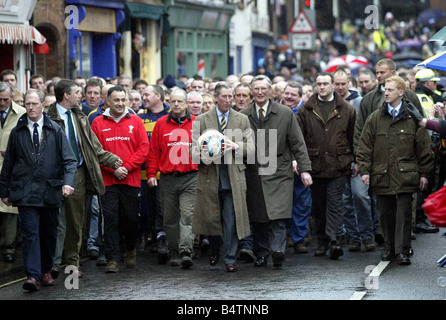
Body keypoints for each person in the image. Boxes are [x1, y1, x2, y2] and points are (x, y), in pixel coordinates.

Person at [0, 89, 77, 291]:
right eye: (27, 104)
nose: (31, 107)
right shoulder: (18, 131)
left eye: (34, 103)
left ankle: (46, 271)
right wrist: (4, 191)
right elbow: (8, 163)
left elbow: (69, 160)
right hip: (25, 191)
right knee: (30, 233)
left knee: (49, 233)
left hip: (50, 190)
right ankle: (32, 275)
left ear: (43, 104)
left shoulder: (55, 130)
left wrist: (68, 183)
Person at [47, 79, 122, 278]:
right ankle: (52, 264)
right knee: (56, 220)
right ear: (66, 95)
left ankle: (72, 263)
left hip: (78, 173)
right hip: (54, 176)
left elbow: (93, 147)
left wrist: (113, 159)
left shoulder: (79, 116)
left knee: (76, 221)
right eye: (78, 92)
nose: (82, 96)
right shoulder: (48, 117)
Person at [356, 76, 434, 266]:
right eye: (385, 90)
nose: (386, 93)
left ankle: (402, 251)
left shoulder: (412, 118)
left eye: (390, 90)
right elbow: (364, 146)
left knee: (404, 215)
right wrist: (365, 170)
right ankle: (389, 248)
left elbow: (423, 146)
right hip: (382, 173)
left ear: (401, 92)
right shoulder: (375, 117)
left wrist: (424, 173)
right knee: (385, 214)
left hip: (405, 173)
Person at [240, 75, 312, 268]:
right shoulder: (243, 114)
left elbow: (297, 143)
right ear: (251, 91)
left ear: (271, 91)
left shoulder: (285, 113)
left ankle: (278, 250)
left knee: (279, 214)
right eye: (256, 89)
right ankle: (262, 253)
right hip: (253, 172)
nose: (260, 92)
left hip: (279, 170)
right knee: (259, 216)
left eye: (264, 89)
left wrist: (305, 169)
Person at [192, 81, 254, 272]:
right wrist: (207, 153)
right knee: (211, 217)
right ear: (216, 97)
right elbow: (194, 151)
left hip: (232, 178)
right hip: (210, 176)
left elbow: (251, 148)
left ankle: (229, 258)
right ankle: (214, 248)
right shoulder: (201, 120)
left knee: (230, 219)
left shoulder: (242, 119)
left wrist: (235, 147)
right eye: (224, 96)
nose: (228, 100)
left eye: (231, 96)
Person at [296, 72, 356, 260]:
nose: (322, 87)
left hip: (339, 165)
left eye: (325, 83)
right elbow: (298, 138)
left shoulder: (346, 109)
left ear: (332, 85)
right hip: (316, 165)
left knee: (335, 203)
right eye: (319, 83)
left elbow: (354, 136)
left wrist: (357, 161)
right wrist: (300, 162)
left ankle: (334, 241)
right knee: (319, 205)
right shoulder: (306, 109)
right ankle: (322, 241)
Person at [91, 86, 149, 273]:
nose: (120, 103)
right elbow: (95, 153)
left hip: (130, 180)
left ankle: (130, 249)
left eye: (123, 99)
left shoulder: (136, 121)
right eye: (116, 100)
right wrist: (112, 169)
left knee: (131, 219)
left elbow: (143, 149)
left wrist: (126, 167)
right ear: (107, 100)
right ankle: (113, 258)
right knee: (110, 220)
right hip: (108, 181)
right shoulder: (98, 123)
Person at [146, 88, 198, 269]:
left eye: (180, 102)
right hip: (168, 178)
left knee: (188, 215)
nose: (176, 104)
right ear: (169, 102)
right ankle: (174, 251)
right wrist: (151, 174)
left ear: (186, 104)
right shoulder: (161, 124)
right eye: (173, 101)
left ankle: (185, 252)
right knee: (170, 218)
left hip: (191, 177)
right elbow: (153, 151)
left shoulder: (197, 123)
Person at [139, 85, 170, 262]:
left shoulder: (171, 115)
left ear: (158, 96)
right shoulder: (139, 117)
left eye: (147, 94)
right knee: (146, 210)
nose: (144, 97)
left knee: (162, 209)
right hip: (142, 173)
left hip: (164, 173)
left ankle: (163, 241)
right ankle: (151, 236)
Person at [281, 81, 311, 254]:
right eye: (287, 93)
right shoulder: (277, 110)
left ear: (300, 96)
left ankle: (299, 238)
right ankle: (285, 237)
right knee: (282, 202)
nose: (289, 97)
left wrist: (300, 161)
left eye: (293, 94)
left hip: (300, 163)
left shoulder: (306, 113)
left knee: (301, 202)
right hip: (280, 164)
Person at [413, 68, 443, 233]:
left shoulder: (422, 96)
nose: (436, 84)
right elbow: (427, 124)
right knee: (425, 183)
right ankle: (419, 220)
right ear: (428, 83)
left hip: (423, 145)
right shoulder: (424, 98)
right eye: (434, 81)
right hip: (427, 145)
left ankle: (420, 218)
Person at [0, 82, 26, 263]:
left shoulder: (22, 114)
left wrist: (14, 150)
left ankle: (8, 248)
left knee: (9, 209)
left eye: (5, 100)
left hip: (12, 168)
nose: (2, 103)